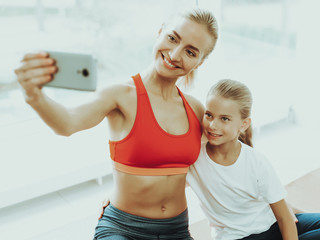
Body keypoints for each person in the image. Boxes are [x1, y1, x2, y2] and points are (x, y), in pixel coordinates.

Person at [14, 8, 218, 240]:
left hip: (177, 230)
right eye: (172, 38)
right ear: (160, 32)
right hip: (123, 228)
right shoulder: (120, 95)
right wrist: (33, 96)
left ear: (200, 62)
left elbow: (211, 167)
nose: (174, 54)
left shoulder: (196, 109)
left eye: (190, 52)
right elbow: (67, 123)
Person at [186, 79, 320, 240]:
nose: (213, 125)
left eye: (224, 119)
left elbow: (284, 218)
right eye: (209, 115)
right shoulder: (194, 157)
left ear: (244, 124)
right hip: (235, 237)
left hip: (271, 227)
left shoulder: (256, 162)